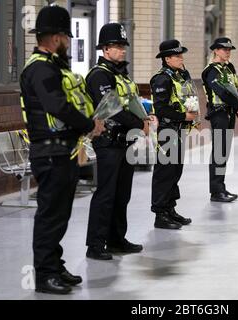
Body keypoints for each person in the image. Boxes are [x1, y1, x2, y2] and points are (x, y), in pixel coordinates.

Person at [20, 5, 105, 294]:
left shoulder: (51, 66)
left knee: (60, 214)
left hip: (62, 151)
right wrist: (88, 124)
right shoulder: (41, 69)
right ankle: (44, 275)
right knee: (51, 215)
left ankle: (54, 265)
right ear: (56, 38)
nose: (68, 43)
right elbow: (57, 106)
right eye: (66, 38)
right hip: (50, 153)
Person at [85, 23, 152, 260]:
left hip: (124, 142)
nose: (122, 50)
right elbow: (112, 109)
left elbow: (129, 101)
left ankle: (116, 239)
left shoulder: (119, 74)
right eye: (116, 46)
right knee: (105, 194)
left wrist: (145, 116)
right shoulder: (99, 75)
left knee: (122, 194)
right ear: (105, 49)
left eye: (123, 46)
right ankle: (95, 245)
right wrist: (138, 123)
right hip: (108, 142)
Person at [150, 39, 197, 229]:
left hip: (179, 130)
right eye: (177, 56)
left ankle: (170, 208)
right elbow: (160, 109)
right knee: (165, 172)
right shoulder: (162, 79)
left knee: (176, 171)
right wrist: (183, 115)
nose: (181, 58)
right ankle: (160, 214)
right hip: (168, 131)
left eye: (181, 55)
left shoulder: (179, 76)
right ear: (167, 59)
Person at [202, 37, 238, 202]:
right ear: (215, 50)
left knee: (225, 151)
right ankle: (216, 191)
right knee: (219, 152)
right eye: (224, 49)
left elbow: (234, 88)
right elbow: (222, 92)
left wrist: (237, 107)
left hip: (229, 112)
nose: (227, 52)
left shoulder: (229, 68)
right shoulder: (210, 71)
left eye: (229, 49)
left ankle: (221, 187)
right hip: (218, 113)